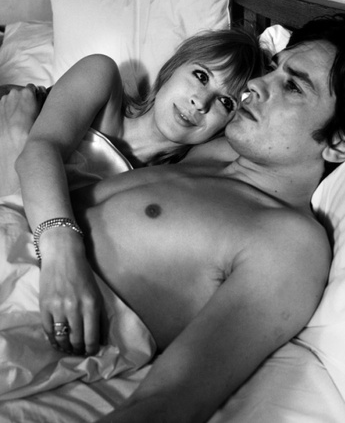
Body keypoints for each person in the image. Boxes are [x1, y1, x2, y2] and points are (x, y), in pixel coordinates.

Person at [60, 14, 345, 422]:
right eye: (274, 69)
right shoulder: (215, 149)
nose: (255, 84)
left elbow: (168, 401)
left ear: (339, 142)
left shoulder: (287, 244)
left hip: (43, 315)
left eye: (292, 86)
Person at [0, 27, 263, 356]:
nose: (201, 102)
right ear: (172, 68)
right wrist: (63, 255)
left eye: (225, 102)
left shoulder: (163, 190)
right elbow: (39, 150)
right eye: (201, 76)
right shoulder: (101, 77)